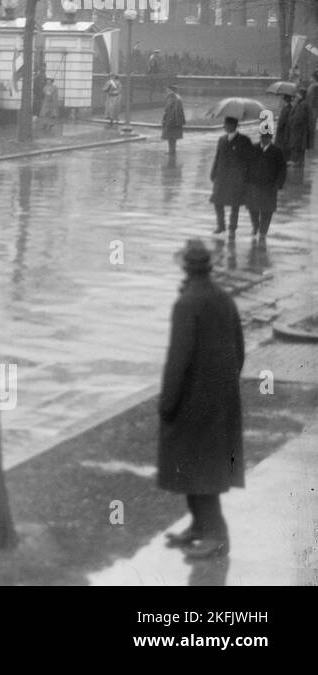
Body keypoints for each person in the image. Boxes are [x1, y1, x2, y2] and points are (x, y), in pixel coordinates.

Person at [158, 239, 245, 560]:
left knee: (196, 469)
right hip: (220, 399)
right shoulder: (223, 298)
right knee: (202, 468)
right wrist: (223, 386)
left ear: (185, 268)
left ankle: (215, 535)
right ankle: (198, 526)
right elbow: (239, 349)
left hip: (191, 403)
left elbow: (177, 359)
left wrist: (168, 402)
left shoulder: (186, 304)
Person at [209, 116, 254, 237]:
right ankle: (220, 226)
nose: (224, 126)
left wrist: (246, 176)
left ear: (233, 126)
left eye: (227, 124)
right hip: (221, 176)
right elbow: (217, 157)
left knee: (235, 205)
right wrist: (213, 172)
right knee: (218, 202)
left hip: (236, 178)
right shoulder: (222, 139)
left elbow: (250, 160)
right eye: (224, 124)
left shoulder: (244, 140)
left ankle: (232, 228)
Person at [245, 127, 286, 242]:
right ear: (260, 137)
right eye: (263, 137)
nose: (265, 140)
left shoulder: (277, 151)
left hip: (270, 186)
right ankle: (255, 226)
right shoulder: (253, 148)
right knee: (253, 208)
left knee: (267, 210)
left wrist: (279, 183)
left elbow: (282, 169)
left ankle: (263, 231)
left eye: (267, 137)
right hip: (254, 185)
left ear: (271, 138)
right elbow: (246, 165)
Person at [287, 89, 312, 169]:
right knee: (300, 146)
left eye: (297, 94)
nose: (296, 96)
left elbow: (298, 118)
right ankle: (299, 161)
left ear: (301, 95)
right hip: (301, 129)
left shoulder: (301, 105)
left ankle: (295, 161)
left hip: (297, 130)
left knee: (296, 144)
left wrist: (291, 122)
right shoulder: (303, 103)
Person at [160, 85, 185, 161]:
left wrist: (170, 121)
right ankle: (171, 150)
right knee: (171, 137)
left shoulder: (175, 99)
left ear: (172, 91)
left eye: (168, 90)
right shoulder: (172, 98)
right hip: (172, 120)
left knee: (171, 136)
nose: (167, 92)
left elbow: (175, 111)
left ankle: (172, 151)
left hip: (172, 121)